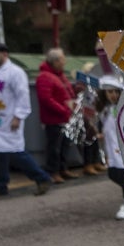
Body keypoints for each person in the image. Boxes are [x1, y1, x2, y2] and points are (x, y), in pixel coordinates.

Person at [0, 42, 52, 196]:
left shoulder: (15, 72)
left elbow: (23, 95)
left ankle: (42, 178)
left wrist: (18, 116)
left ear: (4, 54)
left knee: (15, 152)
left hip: (10, 120)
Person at [35, 48, 79, 183]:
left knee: (64, 145)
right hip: (54, 119)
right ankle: (53, 171)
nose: (64, 62)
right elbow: (45, 99)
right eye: (62, 59)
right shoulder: (45, 76)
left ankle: (62, 168)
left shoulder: (59, 75)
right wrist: (63, 109)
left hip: (65, 117)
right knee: (54, 147)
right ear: (55, 61)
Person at [96, 74, 124, 220]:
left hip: (123, 146)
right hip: (110, 147)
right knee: (113, 173)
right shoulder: (104, 108)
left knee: (123, 175)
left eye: (116, 92)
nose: (113, 95)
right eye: (110, 92)